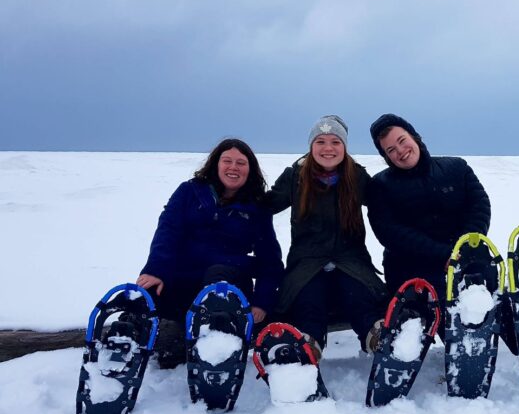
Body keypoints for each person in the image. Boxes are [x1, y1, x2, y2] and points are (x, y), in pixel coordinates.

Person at [137, 138, 284, 368]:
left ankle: (216, 348)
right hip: (184, 280)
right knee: (142, 298)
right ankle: (123, 347)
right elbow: (168, 232)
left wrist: (262, 302)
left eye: (241, 163)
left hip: (228, 287)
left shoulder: (257, 207)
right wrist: (156, 270)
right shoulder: (189, 192)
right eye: (227, 161)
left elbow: (270, 260)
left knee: (218, 279)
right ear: (216, 163)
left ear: (250, 170)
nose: (233, 167)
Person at [265, 115, 386, 359]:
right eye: (320, 141)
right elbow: (264, 206)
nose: (328, 148)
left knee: (359, 295)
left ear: (344, 147)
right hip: (307, 262)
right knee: (309, 297)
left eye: (335, 142)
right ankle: (307, 344)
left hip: (351, 260)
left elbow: (387, 205)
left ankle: (379, 337)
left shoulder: (357, 176)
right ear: (311, 146)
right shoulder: (295, 176)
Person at [367, 114, 492, 302]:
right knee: (441, 316)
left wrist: (463, 248)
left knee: (488, 309)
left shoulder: (457, 167)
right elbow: (391, 234)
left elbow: (479, 205)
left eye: (402, 140)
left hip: (468, 259)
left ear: (414, 136)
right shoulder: (380, 186)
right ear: (386, 156)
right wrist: (444, 255)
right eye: (391, 149)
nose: (401, 151)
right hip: (412, 269)